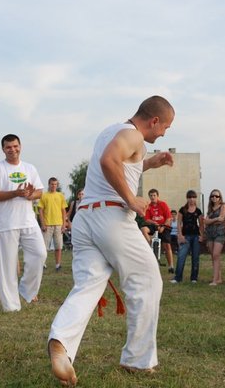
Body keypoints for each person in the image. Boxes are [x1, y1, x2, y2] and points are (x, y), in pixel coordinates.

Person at [48, 95, 175, 386]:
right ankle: (137, 360)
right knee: (147, 281)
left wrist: (150, 163)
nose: (165, 133)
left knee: (88, 286)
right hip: (111, 218)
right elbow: (110, 161)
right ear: (153, 121)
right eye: (165, 127)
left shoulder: (112, 131)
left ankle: (61, 343)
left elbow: (121, 163)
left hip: (85, 219)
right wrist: (132, 200)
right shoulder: (132, 134)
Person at [0, 134, 47, 312]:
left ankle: (26, 290)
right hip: (6, 222)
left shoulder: (29, 168)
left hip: (28, 220)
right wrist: (15, 193)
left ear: (20, 146)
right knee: (7, 266)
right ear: (3, 149)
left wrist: (30, 194)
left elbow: (39, 192)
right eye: (8, 147)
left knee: (40, 254)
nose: (13, 150)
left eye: (15, 146)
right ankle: (10, 305)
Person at [171, 190, 203, 284]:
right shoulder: (182, 210)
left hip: (196, 236)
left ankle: (194, 278)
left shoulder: (198, 211)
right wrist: (180, 235)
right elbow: (179, 223)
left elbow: (201, 225)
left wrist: (202, 235)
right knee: (181, 256)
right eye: (189, 197)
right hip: (185, 236)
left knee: (195, 257)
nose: (191, 199)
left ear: (195, 198)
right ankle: (178, 277)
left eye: (193, 197)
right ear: (187, 198)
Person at [140, 188, 174, 273]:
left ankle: (171, 266)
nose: (152, 197)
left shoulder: (163, 204)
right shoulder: (149, 206)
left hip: (164, 226)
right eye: (151, 196)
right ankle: (151, 245)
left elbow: (169, 218)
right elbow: (147, 219)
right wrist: (154, 223)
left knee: (167, 246)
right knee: (143, 229)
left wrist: (163, 227)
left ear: (157, 196)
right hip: (153, 225)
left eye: (154, 195)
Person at [38, 177, 67, 271]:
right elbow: (40, 210)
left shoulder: (61, 195)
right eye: (52, 184)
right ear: (49, 185)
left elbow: (63, 211)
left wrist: (64, 225)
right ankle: (43, 264)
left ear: (57, 185)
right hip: (47, 224)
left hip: (58, 224)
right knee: (44, 247)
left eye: (55, 184)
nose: (53, 186)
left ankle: (58, 265)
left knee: (58, 246)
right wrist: (42, 223)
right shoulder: (44, 195)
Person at [204, 189, 225, 286]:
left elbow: (222, 219)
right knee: (213, 256)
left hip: (220, 233)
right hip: (210, 233)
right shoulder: (210, 209)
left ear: (220, 197)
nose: (214, 198)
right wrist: (215, 219)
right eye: (212, 196)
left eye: (216, 196)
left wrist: (210, 220)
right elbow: (205, 222)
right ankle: (218, 278)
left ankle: (214, 280)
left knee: (216, 255)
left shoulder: (223, 206)